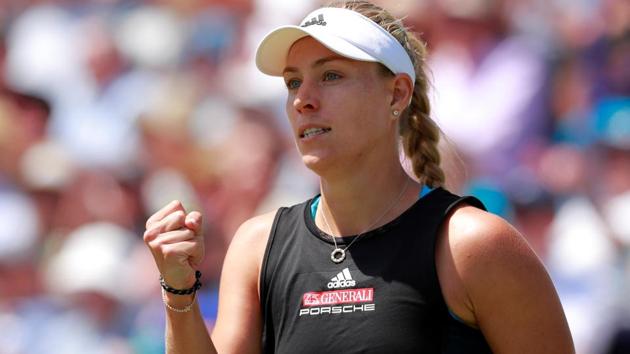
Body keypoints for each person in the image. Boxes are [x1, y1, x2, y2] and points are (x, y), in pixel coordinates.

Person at [143, 1, 575, 353]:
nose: (303, 101)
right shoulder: (257, 247)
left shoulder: (472, 245)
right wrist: (178, 292)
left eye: (331, 76)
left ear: (397, 93)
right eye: (293, 83)